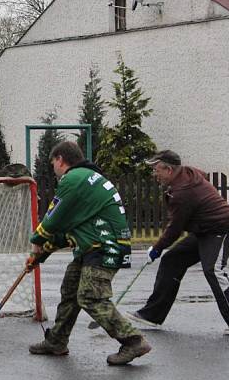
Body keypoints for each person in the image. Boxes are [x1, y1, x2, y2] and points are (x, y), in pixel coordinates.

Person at [26, 141, 152, 365]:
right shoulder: (86, 179)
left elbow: (52, 220)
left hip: (104, 246)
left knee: (89, 296)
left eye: (53, 163)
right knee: (71, 289)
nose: (53, 168)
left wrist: (37, 242)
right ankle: (56, 341)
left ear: (60, 159)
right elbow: (66, 233)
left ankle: (133, 341)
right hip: (93, 244)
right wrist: (40, 256)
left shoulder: (73, 179)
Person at [127, 150, 229, 335]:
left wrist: (157, 248)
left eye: (156, 170)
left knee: (213, 270)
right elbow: (203, 174)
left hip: (223, 229)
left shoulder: (182, 192)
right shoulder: (188, 173)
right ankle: (152, 315)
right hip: (204, 230)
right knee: (172, 260)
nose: (154, 174)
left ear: (169, 170)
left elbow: (175, 228)